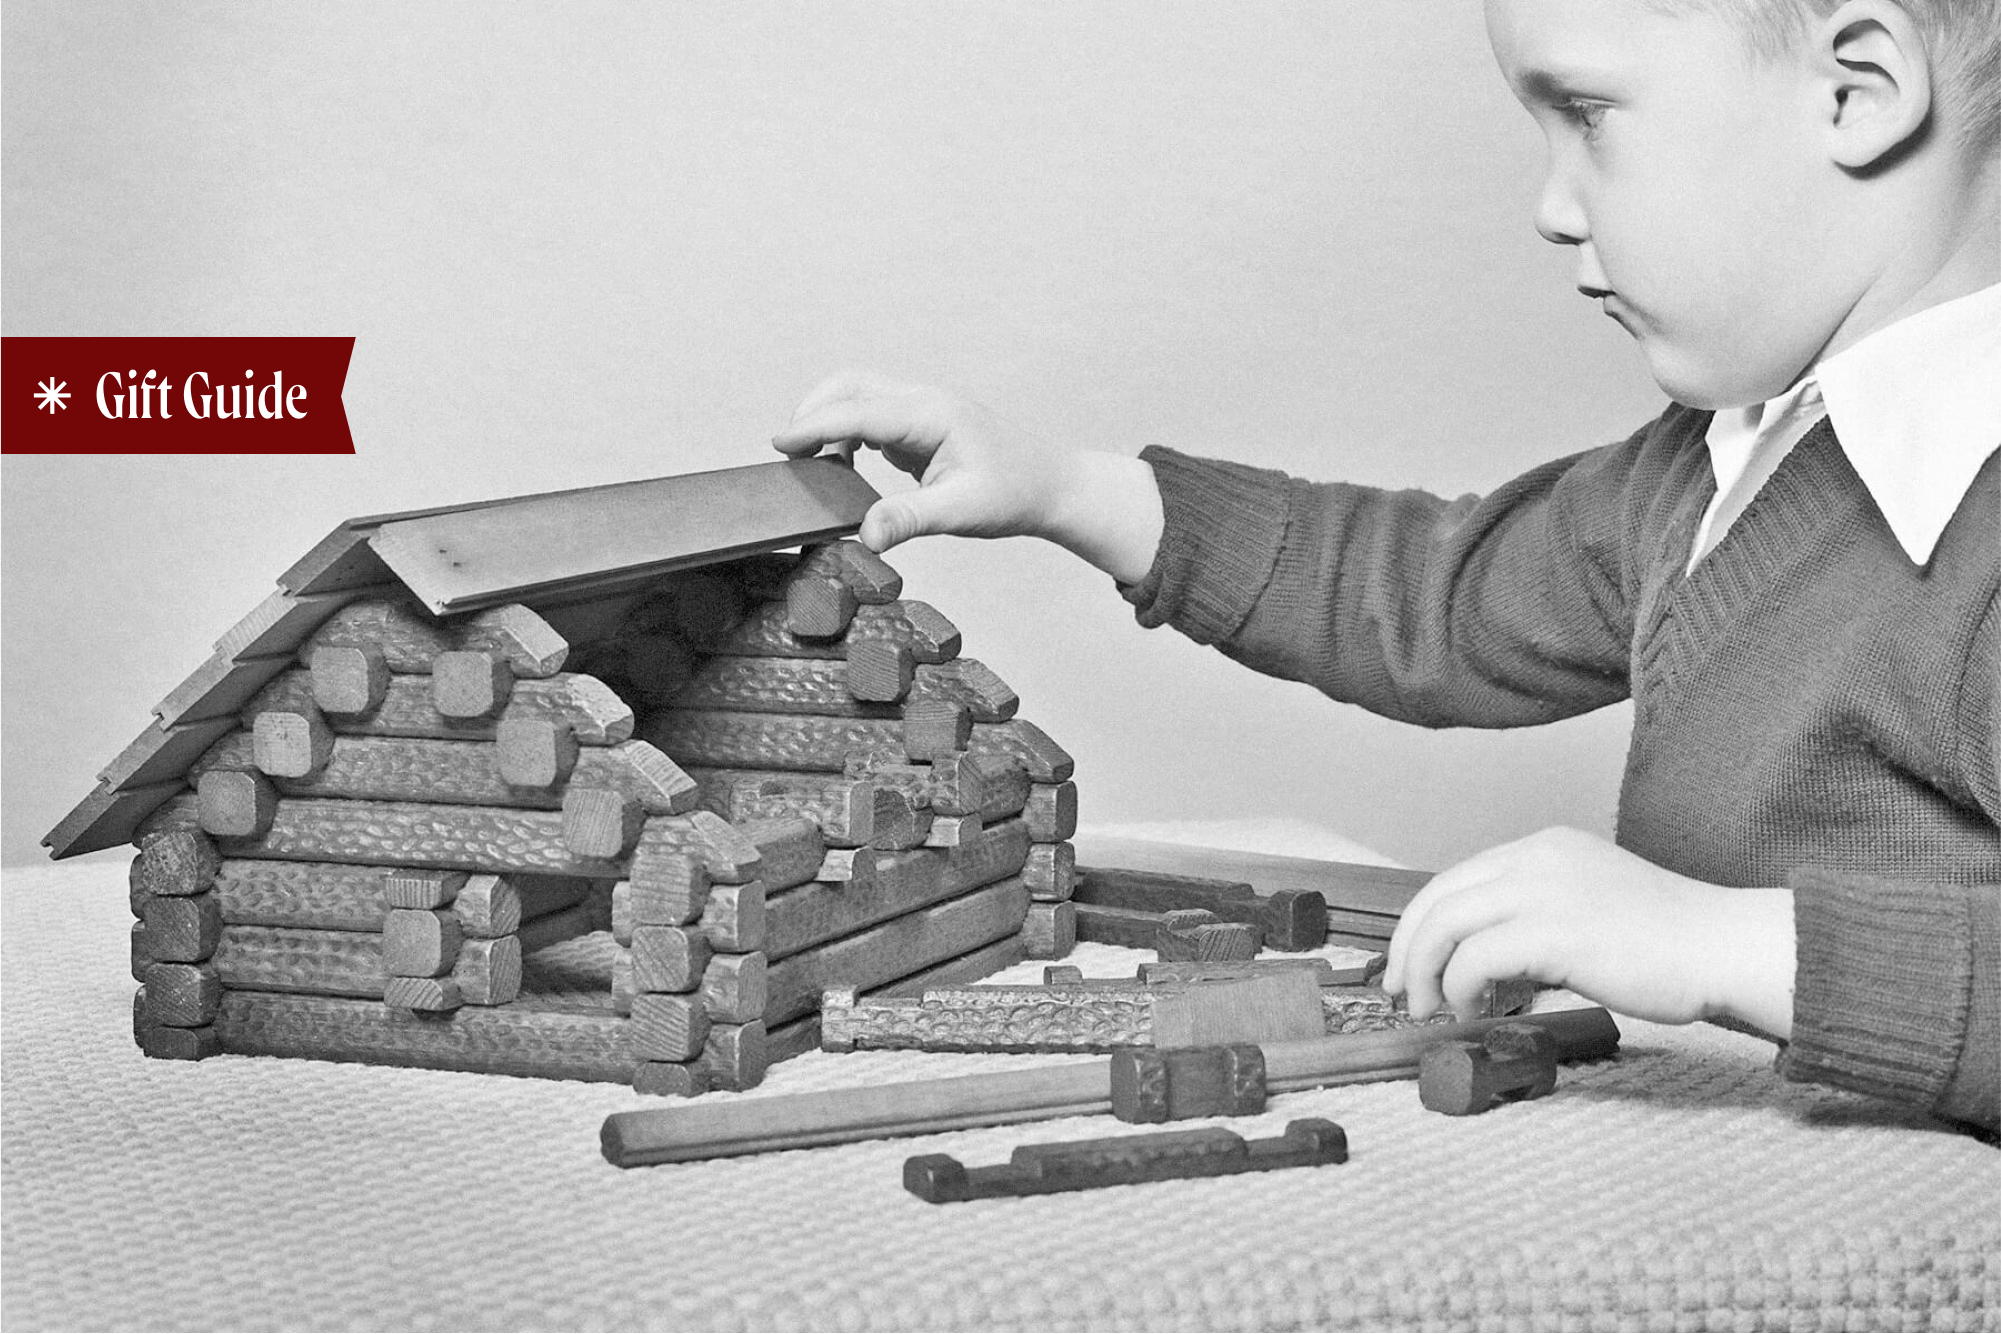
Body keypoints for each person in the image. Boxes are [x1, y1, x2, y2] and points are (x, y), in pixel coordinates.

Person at [771, 0, 2001, 1133]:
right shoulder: (1719, 462)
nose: (1552, 206)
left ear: (1857, 93)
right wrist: (1062, 487)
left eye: (1587, 115)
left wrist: (1718, 942)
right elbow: (1434, 599)